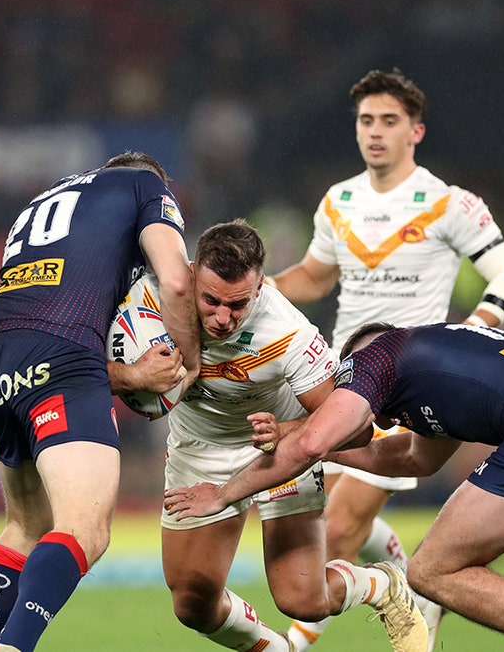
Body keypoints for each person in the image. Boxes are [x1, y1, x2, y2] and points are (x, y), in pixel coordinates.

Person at [166, 321, 504, 652]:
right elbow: (407, 456)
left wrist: (226, 491)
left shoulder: (378, 356)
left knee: (429, 569)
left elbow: (316, 443)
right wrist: (300, 431)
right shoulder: (438, 363)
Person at [265, 68, 504, 650]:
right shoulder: (338, 201)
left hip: (410, 382)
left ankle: (288, 645)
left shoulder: (449, 203)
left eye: (389, 121)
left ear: (416, 131)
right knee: (326, 514)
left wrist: (474, 328)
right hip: (340, 378)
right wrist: (254, 290)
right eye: (366, 121)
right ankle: (420, 599)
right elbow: (314, 276)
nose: (375, 132)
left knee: (335, 529)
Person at [146, 220, 427, 652]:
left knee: (305, 601)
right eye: (211, 300)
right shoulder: (154, 297)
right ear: (191, 272)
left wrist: (289, 432)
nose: (222, 318)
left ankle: (381, 583)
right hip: (199, 448)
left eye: (238, 304)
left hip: (280, 452)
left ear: (259, 287)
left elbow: (353, 428)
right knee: (192, 605)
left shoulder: (289, 334)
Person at [0, 151, 201, 652]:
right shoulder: (145, 186)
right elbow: (178, 280)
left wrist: (132, 374)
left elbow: (41, 324)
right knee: (86, 529)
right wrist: (194, 362)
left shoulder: (44, 203)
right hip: (64, 354)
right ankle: (12, 647)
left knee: (25, 528)